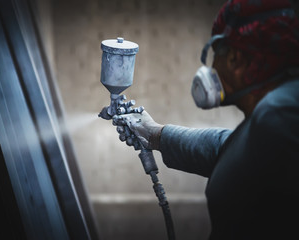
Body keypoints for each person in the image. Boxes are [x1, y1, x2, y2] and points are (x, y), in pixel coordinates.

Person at [113, 0, 299, 239]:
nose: (211, 66)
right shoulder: (269, 120)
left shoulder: (279, 113)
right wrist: (154, 134)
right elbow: (226, 147)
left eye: (216, 52)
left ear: (235, 60)